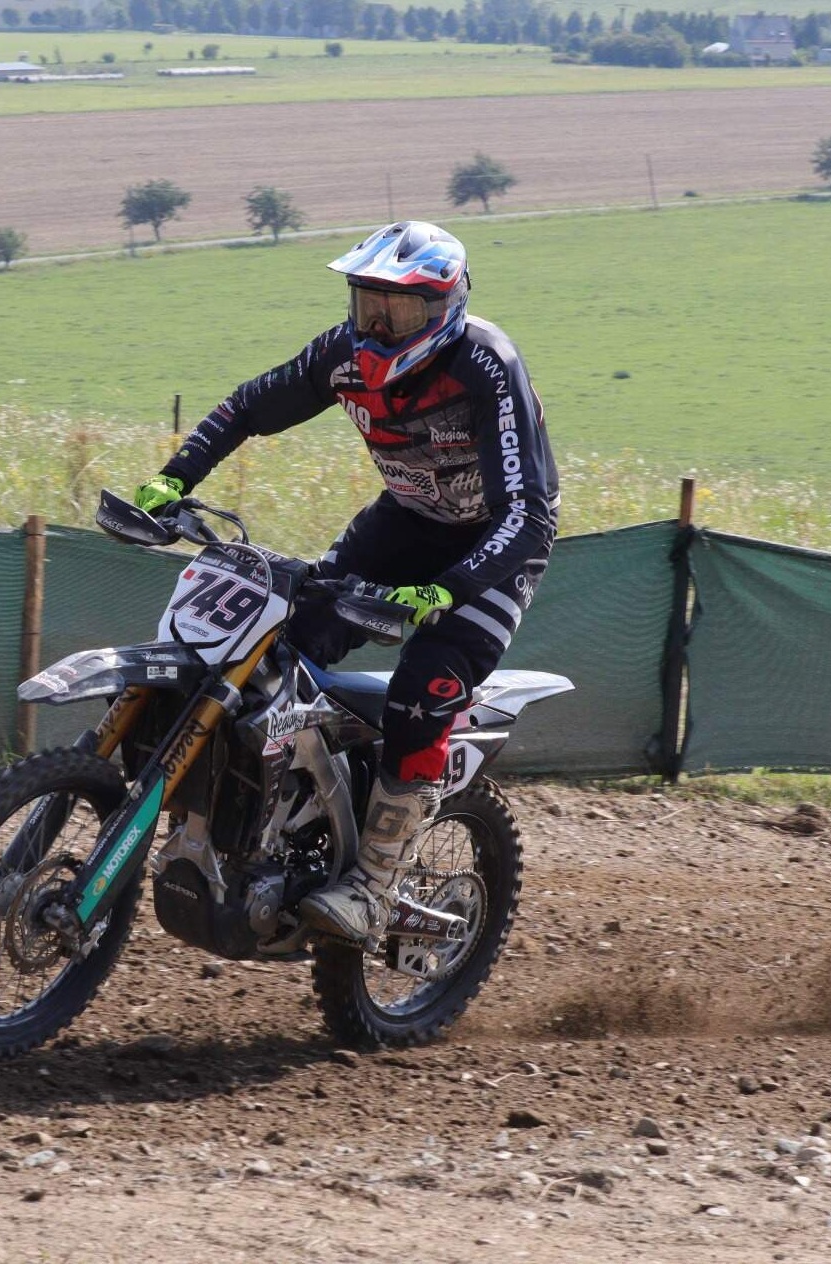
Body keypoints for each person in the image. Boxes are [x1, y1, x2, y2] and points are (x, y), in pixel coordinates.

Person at [132, 221, 558, 945]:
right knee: (283, 639)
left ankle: (375, 885)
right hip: (405, 522)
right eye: (368, 304)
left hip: (493, 548)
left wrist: (448, 590)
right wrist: (175, 477)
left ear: (446, 305)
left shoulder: (486, 365)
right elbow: (248, 407)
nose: (379, 325)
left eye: (400, 310)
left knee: (425, 686)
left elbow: (530, 514)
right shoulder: (343, 357)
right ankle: (287, 817)